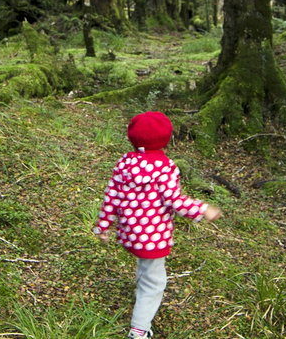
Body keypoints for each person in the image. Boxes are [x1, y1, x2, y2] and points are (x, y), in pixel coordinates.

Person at [92, 111, 222, 339]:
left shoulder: (124, 163)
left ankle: (141, 299)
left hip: (130, 233)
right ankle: (139, 329)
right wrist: (202, 210)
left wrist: (102, 226)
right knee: (154, 282)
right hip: (153, 237)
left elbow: (110, 195)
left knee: (146, 270)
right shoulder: (165, 166)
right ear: (166, 139)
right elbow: (174, 200)